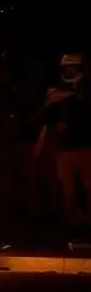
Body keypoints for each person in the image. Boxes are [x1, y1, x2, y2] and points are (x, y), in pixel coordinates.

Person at [34, 54, 91, 238]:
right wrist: (40, 145)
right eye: (66, 68)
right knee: (67, 189)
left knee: (89, 187)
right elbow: (48, 115)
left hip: (86, 147)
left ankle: (87, 222)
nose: (68, 71)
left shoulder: (86, 87)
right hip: (65, 149)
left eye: (72, 67)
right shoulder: (58, 88)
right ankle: (73, 226)